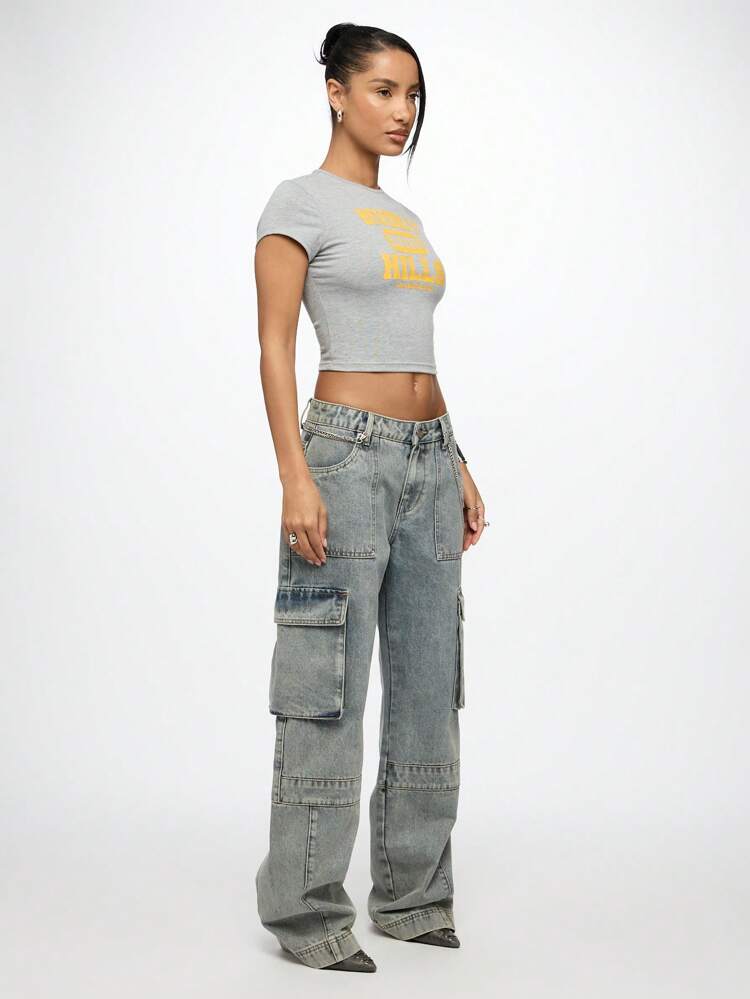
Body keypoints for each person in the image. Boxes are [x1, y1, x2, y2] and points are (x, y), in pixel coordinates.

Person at [253, 22, 488, 973]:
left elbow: (416, 352)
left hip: (429, 457)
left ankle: (413, 895)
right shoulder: (297, 202)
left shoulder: (407, 219)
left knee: (431, 684)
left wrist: (456, 457)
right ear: (336, 92)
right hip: (345, 459)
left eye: (414, 95)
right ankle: (306, 910)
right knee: (328, 687)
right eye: (385, 90)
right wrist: (294, 474)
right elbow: (275, 346)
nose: (403, 111)